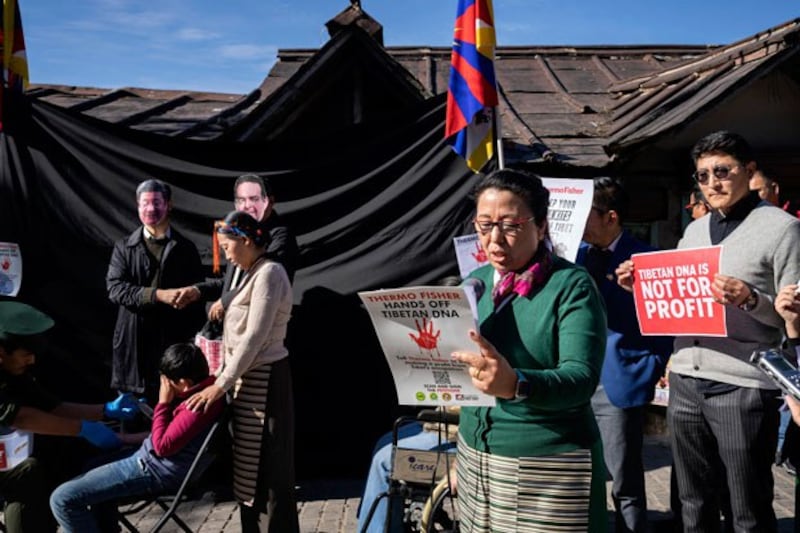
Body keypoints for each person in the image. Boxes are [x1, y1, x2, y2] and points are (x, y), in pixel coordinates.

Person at [617, 130, 800, 532]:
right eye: (702, 176)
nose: (712, 183)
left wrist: (752, 299)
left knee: (747, 504)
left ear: (749, 172)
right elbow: (680, 302)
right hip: (686, 376)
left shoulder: (782, 228)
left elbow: (792, 321)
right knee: (691, 502)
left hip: (743, 382)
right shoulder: (694, 231)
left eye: (722, 171)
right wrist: (643, 286)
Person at [450, 168, 608, 532]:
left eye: (510, 225)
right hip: (477, 458)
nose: (494, 239)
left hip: (549, 463)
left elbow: (581, 379)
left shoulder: (571, 286)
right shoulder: (472, 284)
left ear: (540, 226)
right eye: (484, 225)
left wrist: (516, 383)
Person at [184, 210, 299, 533]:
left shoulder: (270, 273)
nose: (226, 253)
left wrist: (220, 385)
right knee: (250, 472)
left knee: (270, 473)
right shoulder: (248, 273)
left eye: (228, 245)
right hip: (244, 382)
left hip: (266, 381)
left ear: (246, 241)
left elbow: (254, 338)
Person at [577, 177, 673, 533]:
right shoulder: (574, 256)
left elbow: (667, 323)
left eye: (586, 214)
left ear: (610, 217)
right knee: (578, 477)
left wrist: (649, 367)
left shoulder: (647, 258)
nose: (578, 223)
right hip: (574, 380)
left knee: (624, 481)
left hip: (618, 383)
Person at [49, 342, 225, 533]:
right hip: (152, 460)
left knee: (63, 499)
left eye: (168, 382)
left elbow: (162, 446)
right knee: (93, 466)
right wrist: (124, 438)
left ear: (184, 383)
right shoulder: (205, 393)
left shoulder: (196, 407)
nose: (165, 386)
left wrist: (163, 404)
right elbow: (170, 435)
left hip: (156, 469)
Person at [0, 301, 138, 533]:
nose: (31, 361)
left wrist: (104, 410)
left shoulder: (13, 371)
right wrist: (81, 428)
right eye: (25, 355)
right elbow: (20, 417)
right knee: (27, 472)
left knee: (71, 454)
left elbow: (51, 406)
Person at [106, 179, 206, 405]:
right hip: (134, 341)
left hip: (172, 340)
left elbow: (199, 293)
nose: (151, 209)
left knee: (170, 410)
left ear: (169, 205)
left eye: (157, 203)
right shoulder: (124, 247)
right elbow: (115, 289)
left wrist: (189, 297)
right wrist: (159, 295)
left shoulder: (185, 248)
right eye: (145, 203)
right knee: (132, 412)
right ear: (137, 206)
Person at [172, 174, 299, 319]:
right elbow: (230, 283)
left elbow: (263, 281)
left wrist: (225, 302)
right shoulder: (241, 231)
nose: (246, 206)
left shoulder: (280, 236)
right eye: (241, 200)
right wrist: (198, 290)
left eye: (254, 199)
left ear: (270, 201)